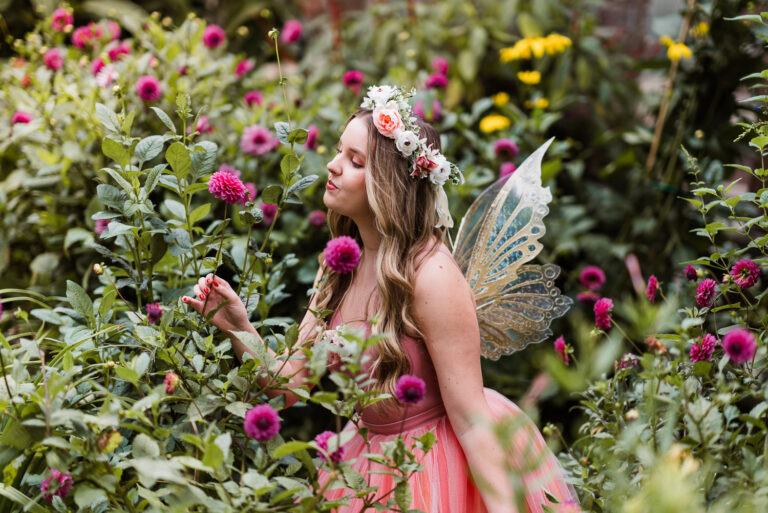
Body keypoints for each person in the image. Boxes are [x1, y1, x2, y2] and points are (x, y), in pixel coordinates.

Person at [182, 85, 578, 513]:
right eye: (338, 152)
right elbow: (291, 385)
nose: (332, 166)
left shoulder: (431, 276)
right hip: (365, 467)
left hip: (433, 466)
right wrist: (239, 327)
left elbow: (471, 421)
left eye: (354, 161)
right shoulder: (338, 265)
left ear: (389, 184)